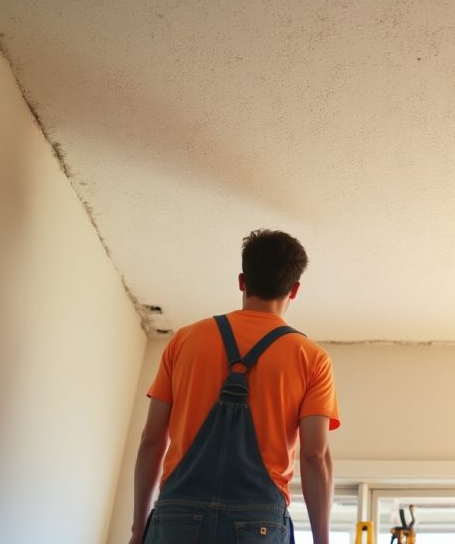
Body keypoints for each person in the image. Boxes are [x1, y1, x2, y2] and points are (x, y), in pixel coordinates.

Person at [129, 229, 340, 544]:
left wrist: (137, 530)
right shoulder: (311, 358)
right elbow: (315, 456)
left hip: (178, 516)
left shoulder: (185, 341)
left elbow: (151, 440)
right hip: (259, 523)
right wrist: (322, 540)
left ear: (243, 281)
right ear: (294, 290)